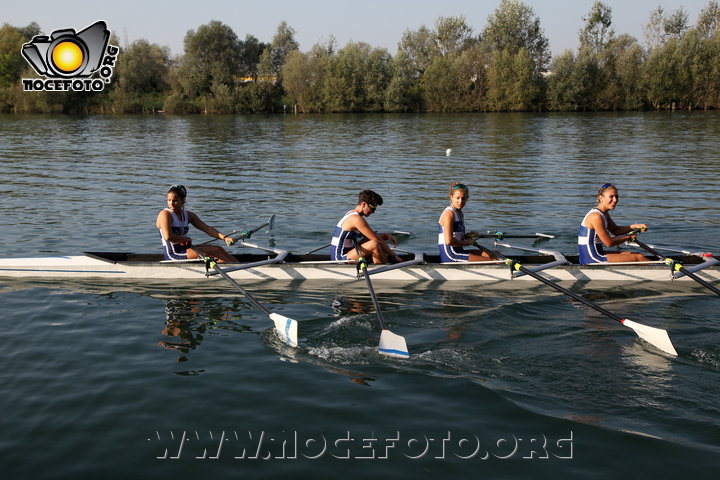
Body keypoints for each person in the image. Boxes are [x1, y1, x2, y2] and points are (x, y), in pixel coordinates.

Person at [156, 184, 237, 263]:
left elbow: (207, 228)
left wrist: (224, 238)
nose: (171, 204)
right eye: (169, 200)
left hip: (186, 248)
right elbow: (168, 237)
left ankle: (238, 267)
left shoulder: (188, 215)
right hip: (174, 254)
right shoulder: (165, 214)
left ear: (183, 200)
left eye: (175, 201)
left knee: (219, 248)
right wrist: (186, 239)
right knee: (214, 250)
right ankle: (236, 271)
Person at [578, 183, 649, 264]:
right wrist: (628, 238)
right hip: (591, 258)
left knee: (631, 254)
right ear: (601, 198)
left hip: (597, 253)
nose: (615, 200)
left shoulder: (603, 214)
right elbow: (609, 243)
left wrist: (634, 226)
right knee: (639, 257)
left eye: (616, 196)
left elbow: (616, 230)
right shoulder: (596, 216)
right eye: (611, 196)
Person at [330, 189, 402, 264]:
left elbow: (369, 237)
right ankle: (384, 270)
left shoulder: (351, 214)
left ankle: (383, 263)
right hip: (339, 259)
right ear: (364, 204)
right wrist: (394, 255)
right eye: (372, 208)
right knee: (375, 244)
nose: (373, 212)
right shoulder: (356, 219)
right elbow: (377, 240)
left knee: (373, 241)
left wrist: (386, 236)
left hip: (349, 252)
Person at [438, 182, 496, 262]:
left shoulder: (459, 213)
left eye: (463, 198)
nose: (460, 201)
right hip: (451, 255)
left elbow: (457, 237)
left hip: (459, 251)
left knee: (494, 254)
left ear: (467, 198)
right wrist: (467, 243)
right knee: (494, 261)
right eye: (457, 198)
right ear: (451, 197)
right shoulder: (449, 213)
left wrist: (467, 235)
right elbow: (449, 241)